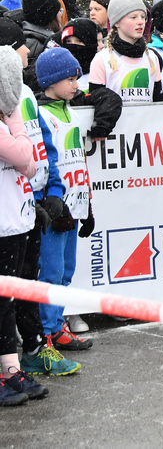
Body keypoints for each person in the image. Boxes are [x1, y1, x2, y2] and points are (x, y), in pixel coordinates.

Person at [1, 24, 79, 378]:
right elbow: (21, 155)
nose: (27, 52)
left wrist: (53, 192)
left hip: (37, 206)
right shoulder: (8, 103)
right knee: (16, 287)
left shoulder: (27, 96)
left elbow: (47, 152)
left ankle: (35, 349)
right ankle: (22, 354)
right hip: (16, 207)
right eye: (19, 47)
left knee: (32, 280)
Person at [36, 47, 121, 352]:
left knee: (67, 269)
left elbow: (78, 164)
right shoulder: (43, 114)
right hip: (54, 207)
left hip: (74, 205)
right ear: (51, 81)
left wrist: (88, 208)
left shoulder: (70, 110)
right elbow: (45, 161)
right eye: (70, 79)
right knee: (50, 271)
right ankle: (44, 333)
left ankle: (57, 326)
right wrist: (49, 200)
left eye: (76, 77)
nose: (76, 84)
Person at [0, 45, 48, 405]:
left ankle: (11, 368)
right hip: (3, 222)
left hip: (16, 218)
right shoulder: (6, 120)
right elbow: (23, 157)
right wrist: (15, 117)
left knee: (10, 299)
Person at [90, 0, 163, 103]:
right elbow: (94, 105)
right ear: (117, 22)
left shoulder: (152, 58)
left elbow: (159, 105)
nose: (140, 22)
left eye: (143, 17)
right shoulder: (102, 59)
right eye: (133, 17)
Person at [20, 0, 63, 91]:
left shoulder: (21, 36)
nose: (61, 15)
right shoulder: (42, 44)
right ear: (50, 16)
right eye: (59, 11)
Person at [58, 19, 103, 92]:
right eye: (68, 42)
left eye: (79, 41)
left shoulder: (105, 70)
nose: (72, 46)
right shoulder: (58, 75)